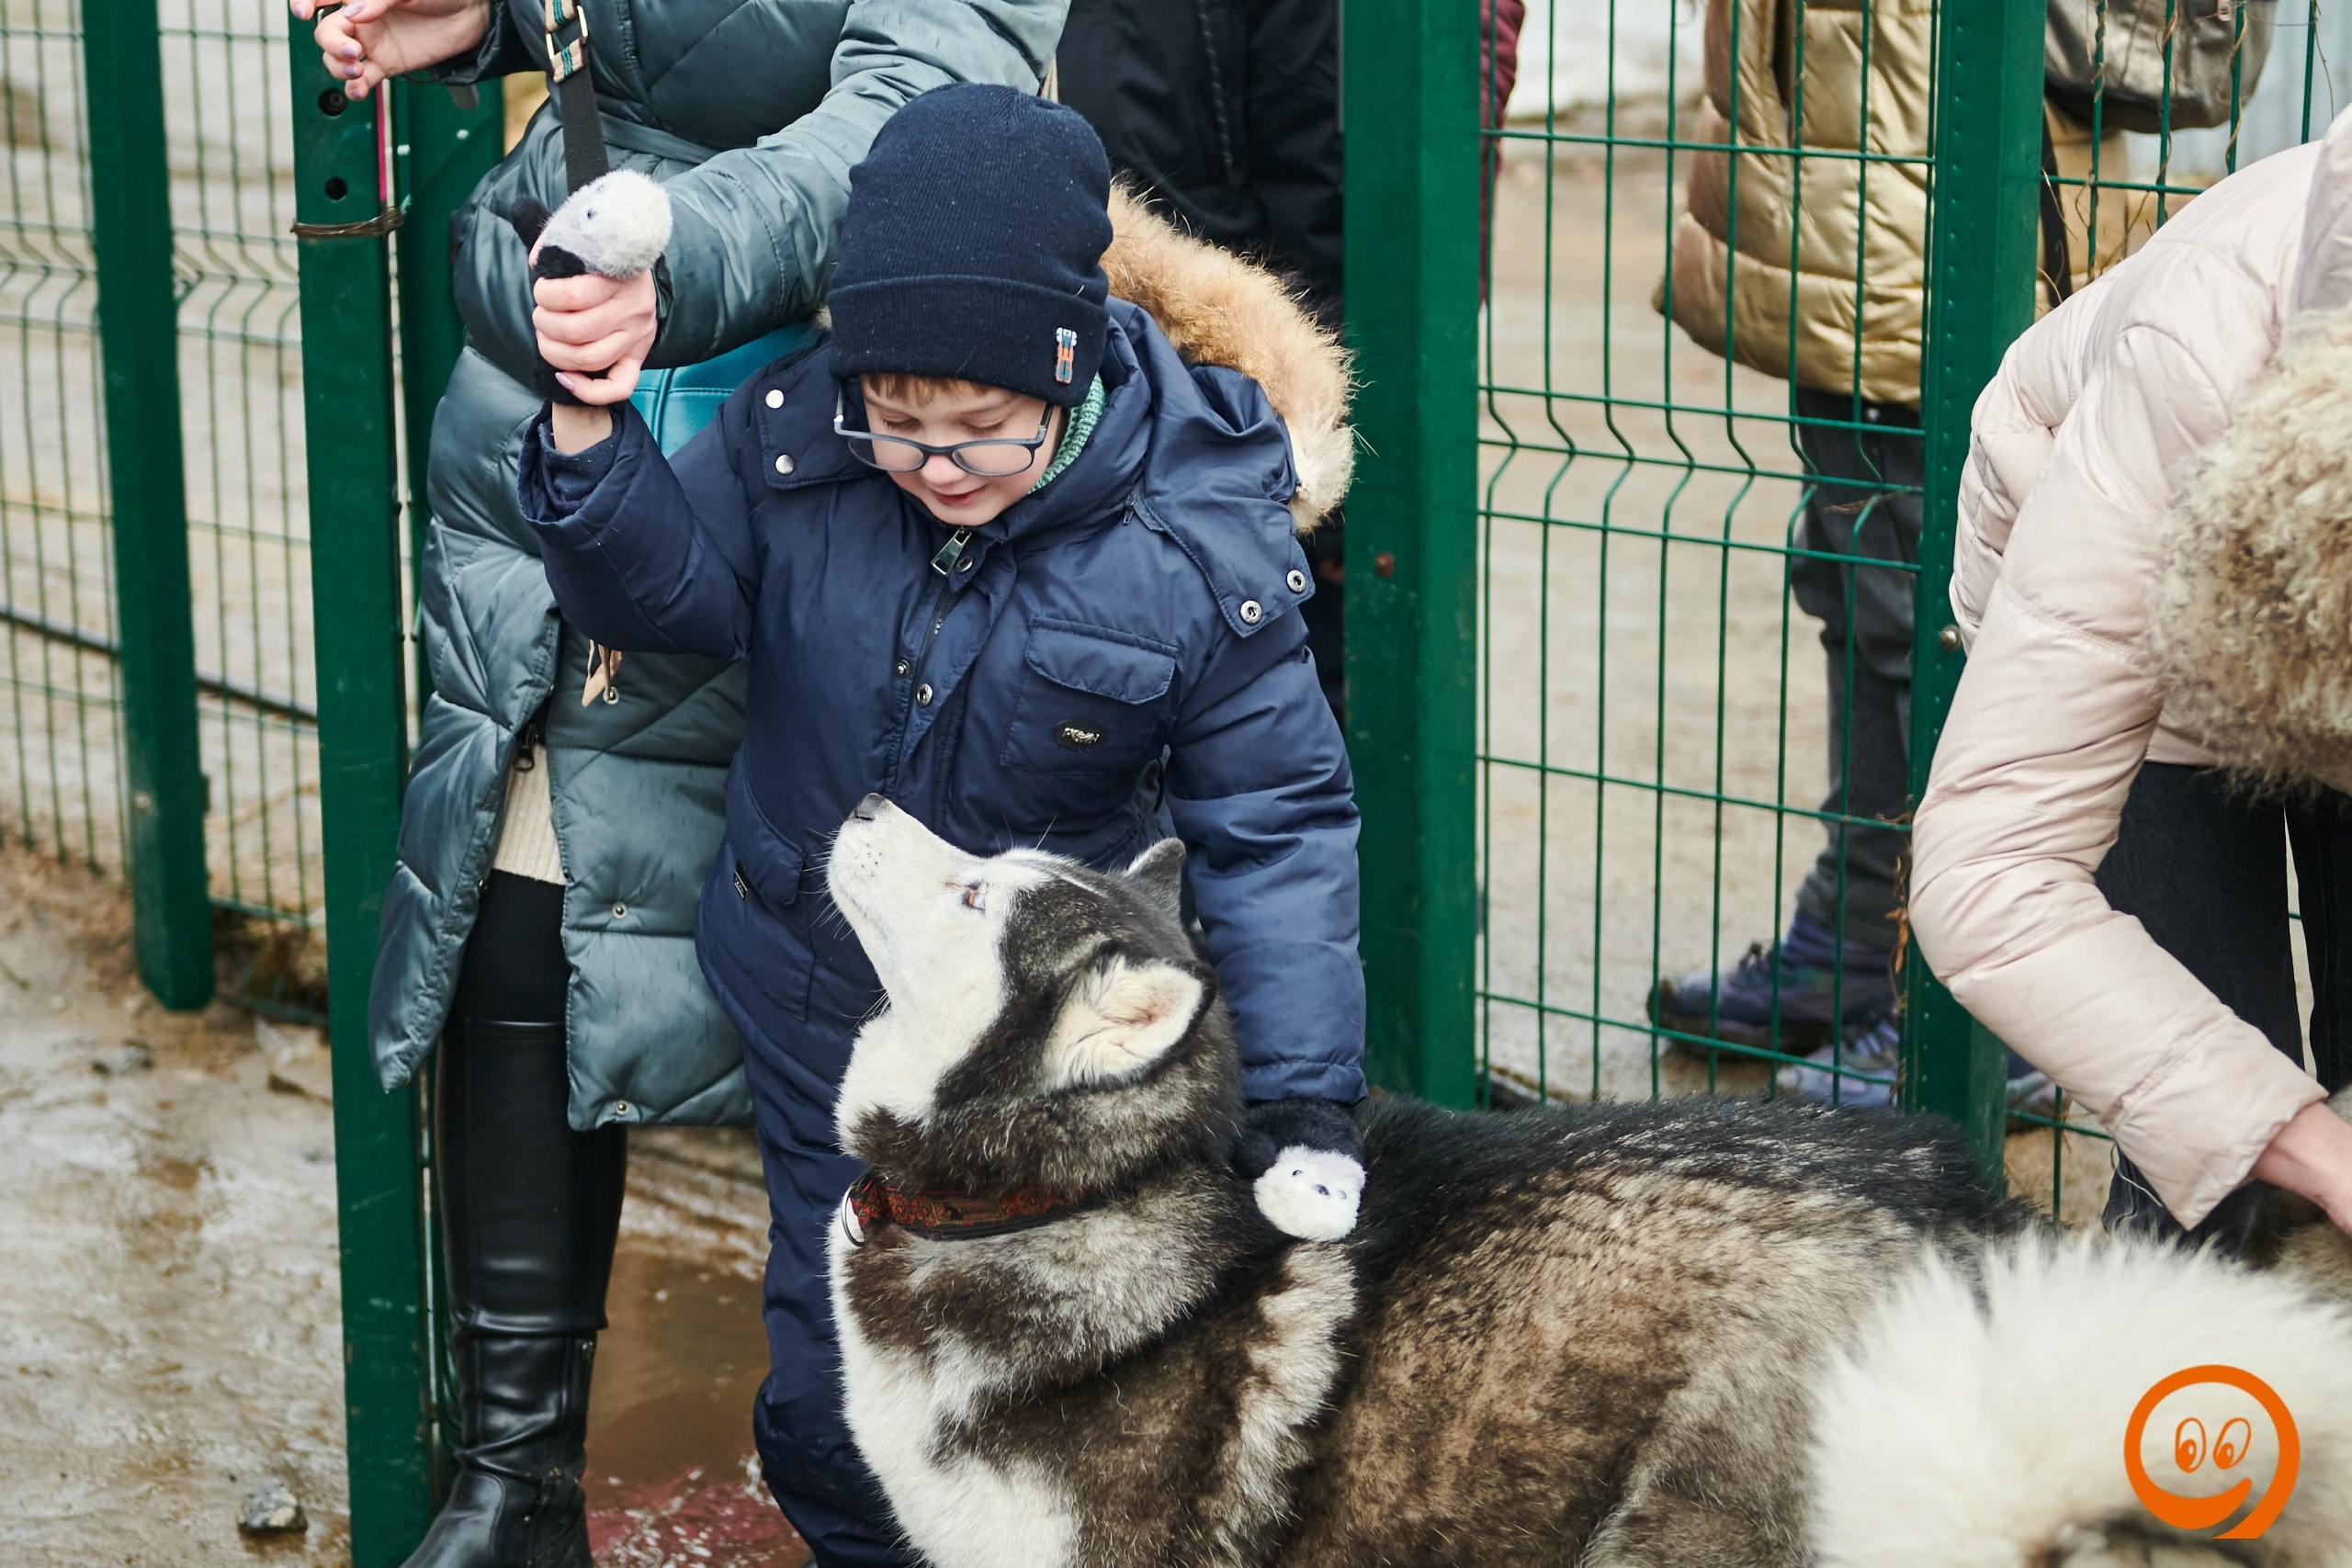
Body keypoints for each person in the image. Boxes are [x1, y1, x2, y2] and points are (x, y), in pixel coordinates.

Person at [519, 85, 1368, 1558]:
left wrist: (1302, 1099)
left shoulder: (1193, 540)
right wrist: (591, 450)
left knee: (1041, 1403)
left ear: (1073, 369)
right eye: (899, 423)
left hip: (1042, 1067)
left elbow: (1278, 824)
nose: (937, 465)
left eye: (984, 432)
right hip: (820, 1006)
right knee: (830, 1387)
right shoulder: (804, 439)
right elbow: (671, 597)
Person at [291, 0, 1068, 1563]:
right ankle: (515, 1479)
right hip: (575, 365)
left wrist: (676, 250)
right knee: (524, 889)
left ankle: (922, 1494)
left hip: (870, 422)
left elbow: (921, 103)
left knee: (881, 966)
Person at [1646, 0, 2123, 1107]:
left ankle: (1993, 1002)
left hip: (1956, 219)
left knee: (1943, 618)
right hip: (1836, 206)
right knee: (1859, 592)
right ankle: (1860, 935)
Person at [1909, 107, 2352, 1247]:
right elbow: (1990, 870)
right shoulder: (2195, 362)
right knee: (2215, 1155)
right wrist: (2320, 1155)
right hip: (2154, 607)